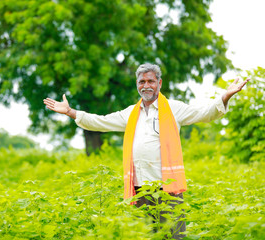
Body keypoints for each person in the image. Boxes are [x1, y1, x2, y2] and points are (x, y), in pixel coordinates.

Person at [43, 63, 249, 239]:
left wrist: (225, 96)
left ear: (159, 83)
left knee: (173, 234)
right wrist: (70, 112)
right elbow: (100, 121)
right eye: (142, 82)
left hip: (168, 188)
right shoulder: (131, 113)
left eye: (150, 81)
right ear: (137, 85)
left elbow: (206, 113)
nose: (146, 85)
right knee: (144, 236)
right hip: (140, 188)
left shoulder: (174, 108)